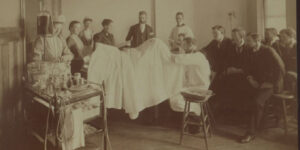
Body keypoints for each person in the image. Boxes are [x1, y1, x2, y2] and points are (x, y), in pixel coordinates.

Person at [240, 33, 285, 143]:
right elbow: (246, 68)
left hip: (271, 84)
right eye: (247, 41)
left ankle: (251, 133)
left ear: (257, 41)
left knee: (257, 101)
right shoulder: (249, 51)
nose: (247, 43)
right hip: (257, 82)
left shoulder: (268, 51)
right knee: (243, 95)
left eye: (249, 41)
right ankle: (258, 124)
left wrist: (271, 83)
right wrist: (250, 79)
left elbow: (281, 67)